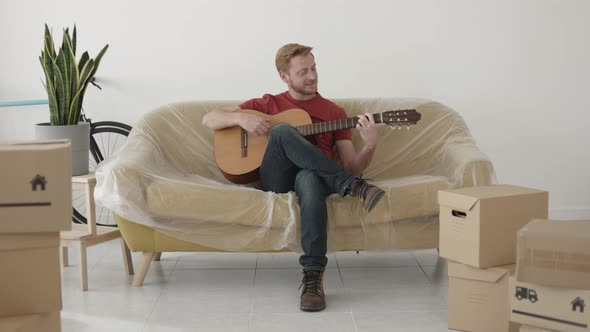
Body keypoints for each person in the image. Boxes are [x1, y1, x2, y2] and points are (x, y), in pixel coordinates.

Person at [202, 43, 385, 312]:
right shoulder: (267, 104)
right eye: (303, 72)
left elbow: (350, 165)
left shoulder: (334, 112)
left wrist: (369, 145)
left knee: (310, 177)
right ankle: (355, 189)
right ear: (284, 76)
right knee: (282, 131)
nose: (312, 76)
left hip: (317, 180)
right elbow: (209, 119)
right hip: (277, 179)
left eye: (313, 68)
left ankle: (313, 278)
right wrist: (241, 119)